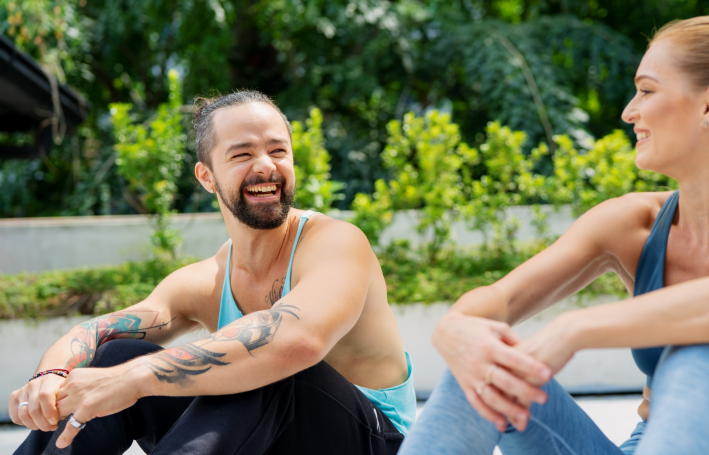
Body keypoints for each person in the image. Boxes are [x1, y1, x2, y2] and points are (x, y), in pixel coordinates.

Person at [399, 15, 709, 455]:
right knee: (485, 365)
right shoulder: (631, 224)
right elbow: (496, 303)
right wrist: (456, 330)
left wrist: (573, 329)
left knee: (700, 355)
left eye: (646, 91)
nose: (628, 112)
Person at [9, 91, 415, 455]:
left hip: (374, 443)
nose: (266, 167)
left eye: (278, 151)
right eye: (242, 155)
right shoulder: (208, 280)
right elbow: (99, 333)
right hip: (263, 441)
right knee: (118, 353)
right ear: (206, 176)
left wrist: (135, 379)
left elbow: (298, 342)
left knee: (263, 363)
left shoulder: (336, 242)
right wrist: (51, 376)